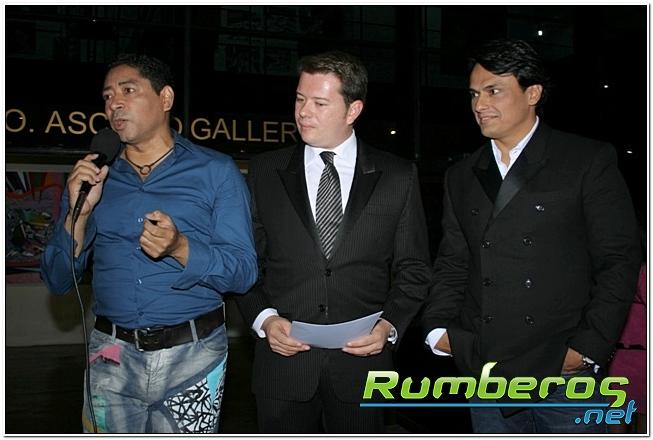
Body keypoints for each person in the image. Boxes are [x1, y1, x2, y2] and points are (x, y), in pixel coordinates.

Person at [421, 39, 641, 433]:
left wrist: (587, 349)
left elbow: (618, 261)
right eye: (474, 93)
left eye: (493, 91)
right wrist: (438, 330)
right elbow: (454, 261)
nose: (479, 104)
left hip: (563, 371)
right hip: (486, 368)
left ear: (533, 93)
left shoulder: (585, 159)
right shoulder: (462, 175)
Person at [40, 54, 257, 433]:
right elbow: (58, 280)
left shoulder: (216, 171)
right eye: (107, 96)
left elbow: (243, 272)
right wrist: (80, 214)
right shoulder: (92, 178)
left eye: (128, 90)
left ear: (165, 98)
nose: (114, 104)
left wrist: (181, 248)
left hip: (194, 355)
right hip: (110, 355)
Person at [236, 50, 431, 433]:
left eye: (319, 103)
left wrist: (389, 326)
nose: (303, 112)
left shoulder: (397, 176)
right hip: (283, 367)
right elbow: (244, 262)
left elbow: (414, 268)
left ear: (353, 109)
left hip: (364, 367)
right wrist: (264, 319)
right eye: (299, 99)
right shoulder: (264, 171)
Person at [608, 214, 647, 434]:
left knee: (618, 416)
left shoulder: (618, 273)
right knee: (641, 418)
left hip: (620, 358)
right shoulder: (642, 273)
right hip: (637, 359)